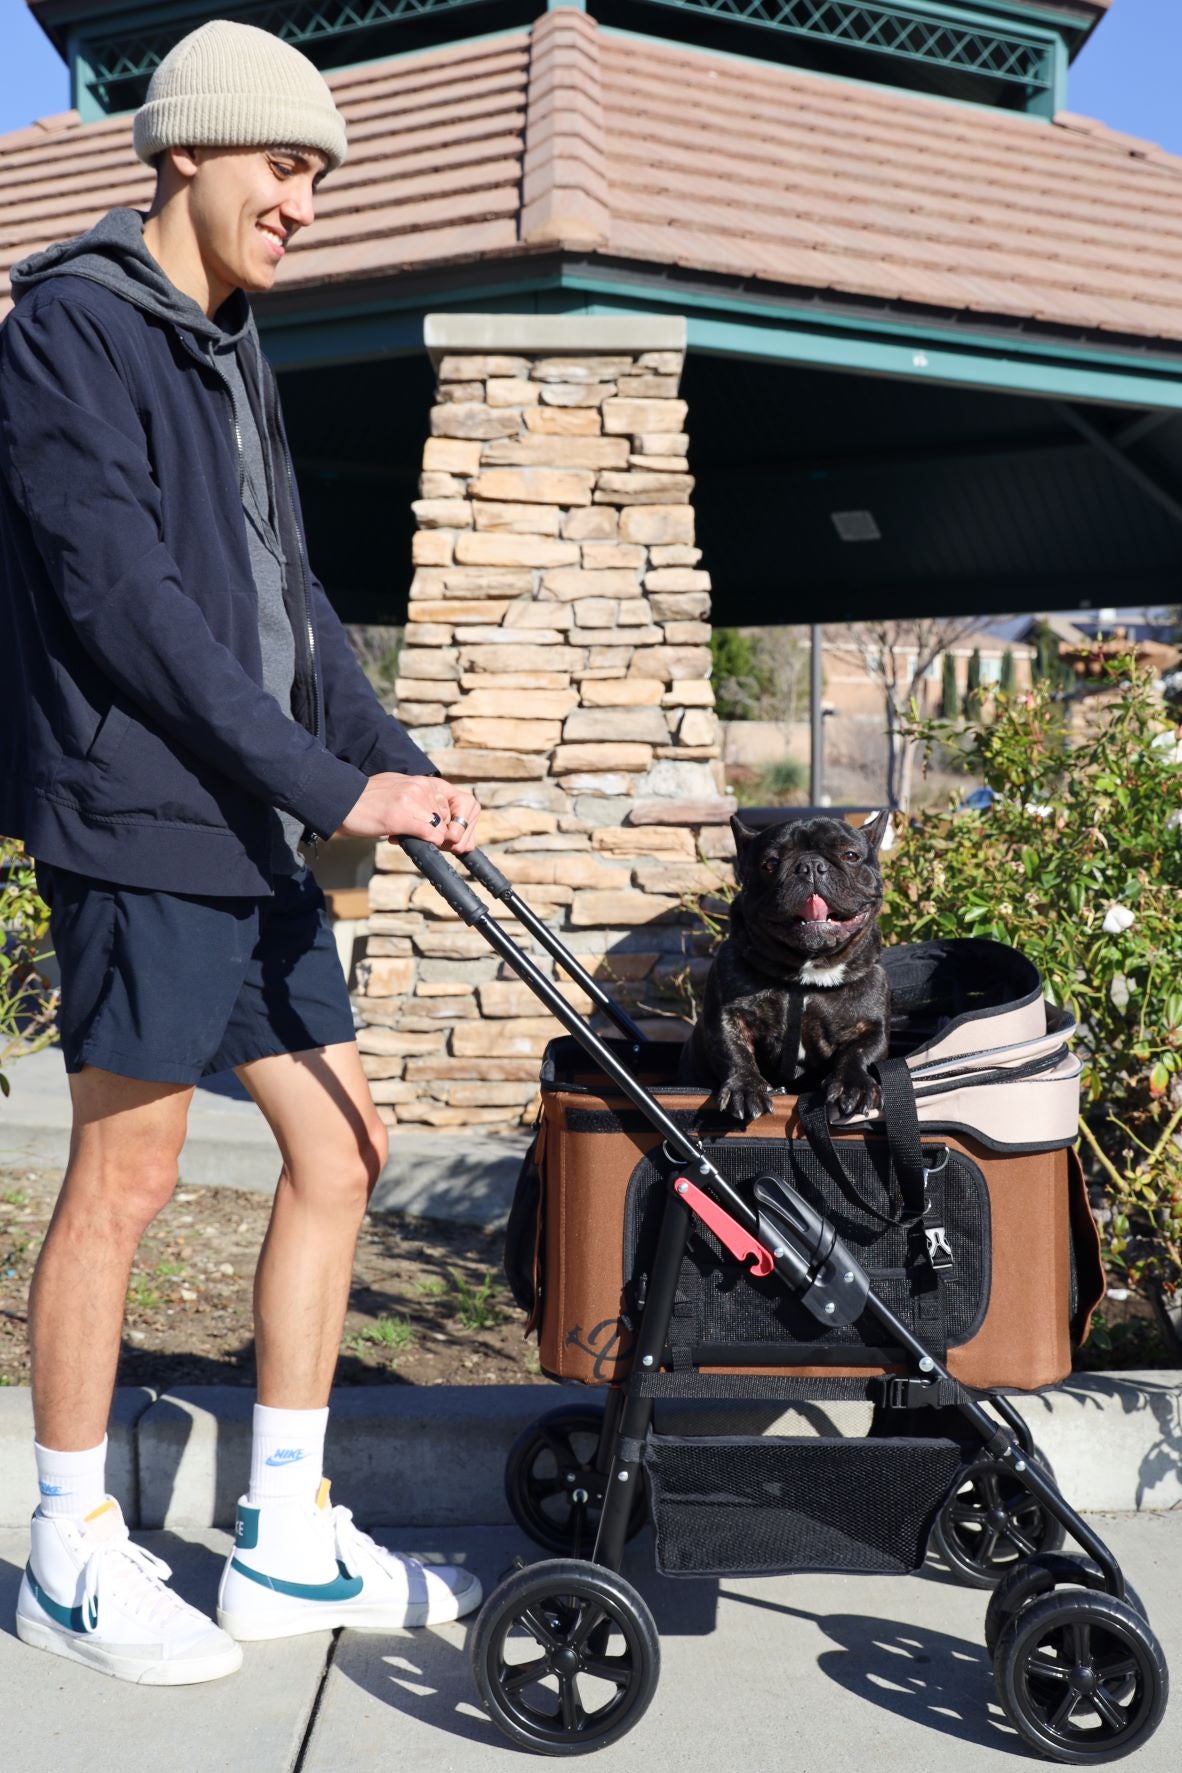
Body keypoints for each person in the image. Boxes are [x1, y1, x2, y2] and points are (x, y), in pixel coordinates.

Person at [0, 19, 483, 1685]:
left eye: (318, 175)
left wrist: (392, 765)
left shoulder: (232, 340)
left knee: (341, 1147)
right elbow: (122, 606)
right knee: (125, 1181)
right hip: (141, 820)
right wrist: (319, 783)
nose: (305, 200)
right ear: (190, 151)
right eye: (287, 165)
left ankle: (281, 1534)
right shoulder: (73, 329)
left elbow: (290, 610)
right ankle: (66, 1554)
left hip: (248, 823)